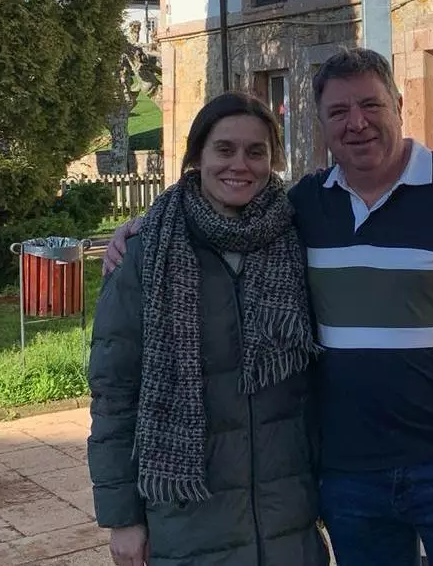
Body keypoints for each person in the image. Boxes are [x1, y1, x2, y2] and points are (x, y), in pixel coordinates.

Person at [104, 48, 433, 566]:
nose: (357, 123)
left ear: (398, 105)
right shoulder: (306, 205)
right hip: (352, 478)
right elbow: (224, 205)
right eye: (339, 111)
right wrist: (143, 228)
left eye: (370, 105)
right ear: (321, 123)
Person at [88, 91, 329, 566]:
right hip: (188, 519)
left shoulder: (299, 237)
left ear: (272, 161)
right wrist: (122, 518)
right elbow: (114, 393)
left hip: (288, 516)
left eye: (256, 151)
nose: (240, 164)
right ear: (197, 156)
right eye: (224, 149)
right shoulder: (148, 252)